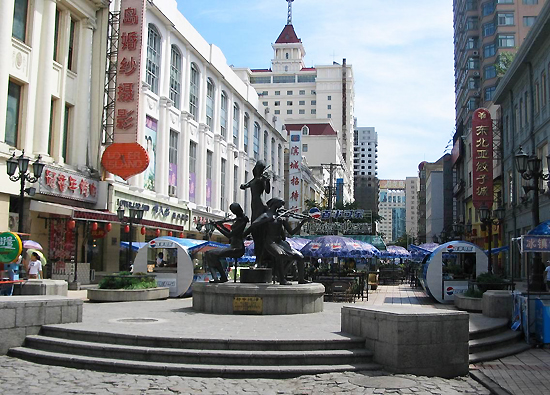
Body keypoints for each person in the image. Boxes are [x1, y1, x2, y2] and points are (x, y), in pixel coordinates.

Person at [244, 198, 310, 285]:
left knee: (300, 257)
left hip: (280, 242)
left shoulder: (281, 218)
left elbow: (291, 232)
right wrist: (267, 220)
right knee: (280, 255)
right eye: (280, 204)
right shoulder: (266, 215)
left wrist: (301, 223)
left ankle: (301, 279)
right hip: (270, 242)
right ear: (274, 203)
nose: (281, 206)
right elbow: (254, 224)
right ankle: (282, 279)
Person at [203, 203, 249, 283]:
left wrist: (217, 227)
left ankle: (222, 277)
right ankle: (218, 277)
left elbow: (229, 235)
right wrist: (221, 226)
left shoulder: (242, 221)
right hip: (233, 246)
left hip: (237, 248)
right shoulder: (238, 220)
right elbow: (231, 233)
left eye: (233, 211)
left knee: (212, 254)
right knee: (208, 253)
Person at [240, 160, 270, 265]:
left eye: (259, 167)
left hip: (261, 205)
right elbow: (245, 185)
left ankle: (259, 260)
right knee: (255, 234)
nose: (257, 169)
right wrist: (243, 185)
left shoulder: (262, 179)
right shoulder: (254, 180)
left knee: (258, 230)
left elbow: (267, 191)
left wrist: (268, 181)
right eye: (257, 167)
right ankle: (258, 259)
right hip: (254, 206)